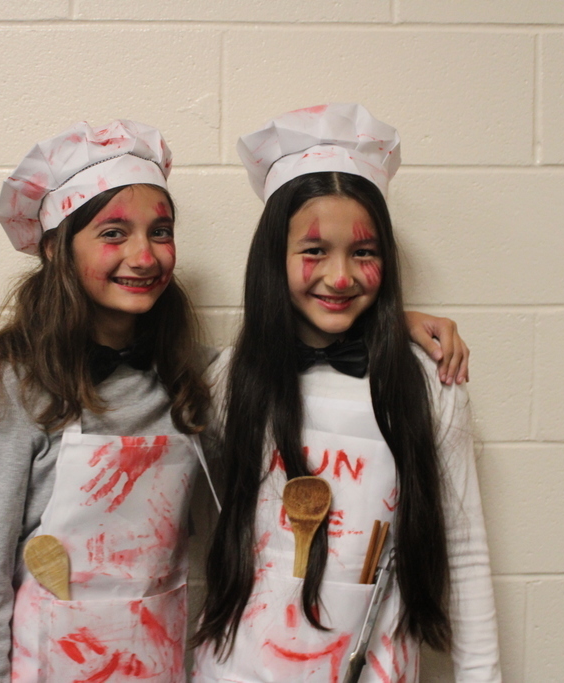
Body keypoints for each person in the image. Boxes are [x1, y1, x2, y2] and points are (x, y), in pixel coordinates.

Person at [191, 104, 499, 682]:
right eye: (314, 251)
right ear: (272, 261)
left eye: (363, 252)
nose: (339, 277)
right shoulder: (226, 380)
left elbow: (466, 552)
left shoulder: (430, 383)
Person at [0, 119, 220, 682]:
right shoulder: (14, 385)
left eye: (161, 231)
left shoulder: (199, 377)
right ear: (54, 248)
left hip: (160, 664)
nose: (144, 256)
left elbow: (298, 368)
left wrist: (400, 327)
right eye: (113, 233)